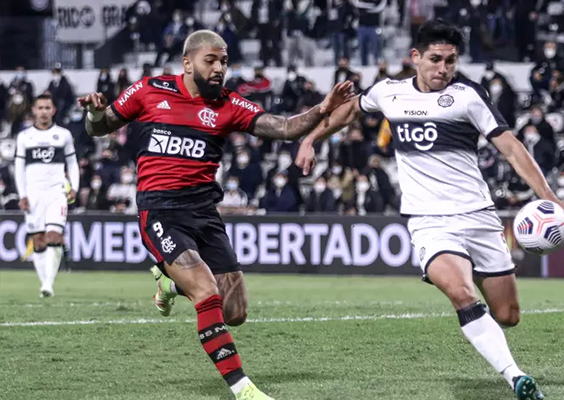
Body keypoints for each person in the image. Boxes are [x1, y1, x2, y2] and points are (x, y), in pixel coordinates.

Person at [295, 20, 564, 400]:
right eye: (435, 59)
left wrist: (553, 199)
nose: (442, 69)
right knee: (461, 293)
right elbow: (348, 112)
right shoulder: (389, 93)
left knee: (507, 315)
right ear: (415, 57)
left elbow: (512, 149)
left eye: (450, 61)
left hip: (479, 217)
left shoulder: (467, 96)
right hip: (429, 221)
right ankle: (516, 377)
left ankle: (482, 288)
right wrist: (311, 138)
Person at [77, 29, 352, 400]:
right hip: (161, 211)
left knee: (235, 311)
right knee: (206, 294)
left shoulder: (229, 105)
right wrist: (95, 112)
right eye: (212, 60)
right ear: (187, 62)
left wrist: (321, 109)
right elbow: (99, 127)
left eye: (224, 60)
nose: (220, 67)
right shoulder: (149, 90)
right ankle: (244, 389)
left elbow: (284, 128)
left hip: (204, 213)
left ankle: (170, 285)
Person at [14, 94, 79, 297]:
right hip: (33, 194)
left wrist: (74, 187)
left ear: (53, 111)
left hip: (56, 192)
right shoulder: (25, 137)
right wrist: (22, 194)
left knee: (54, 236)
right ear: (33, 110)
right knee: (39, 240)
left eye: (47, 108)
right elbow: (18, 168)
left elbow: (72, 164)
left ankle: (48, 284)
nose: (43, 111)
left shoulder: (64, 135)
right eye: (40, 108)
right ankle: (44, 283)